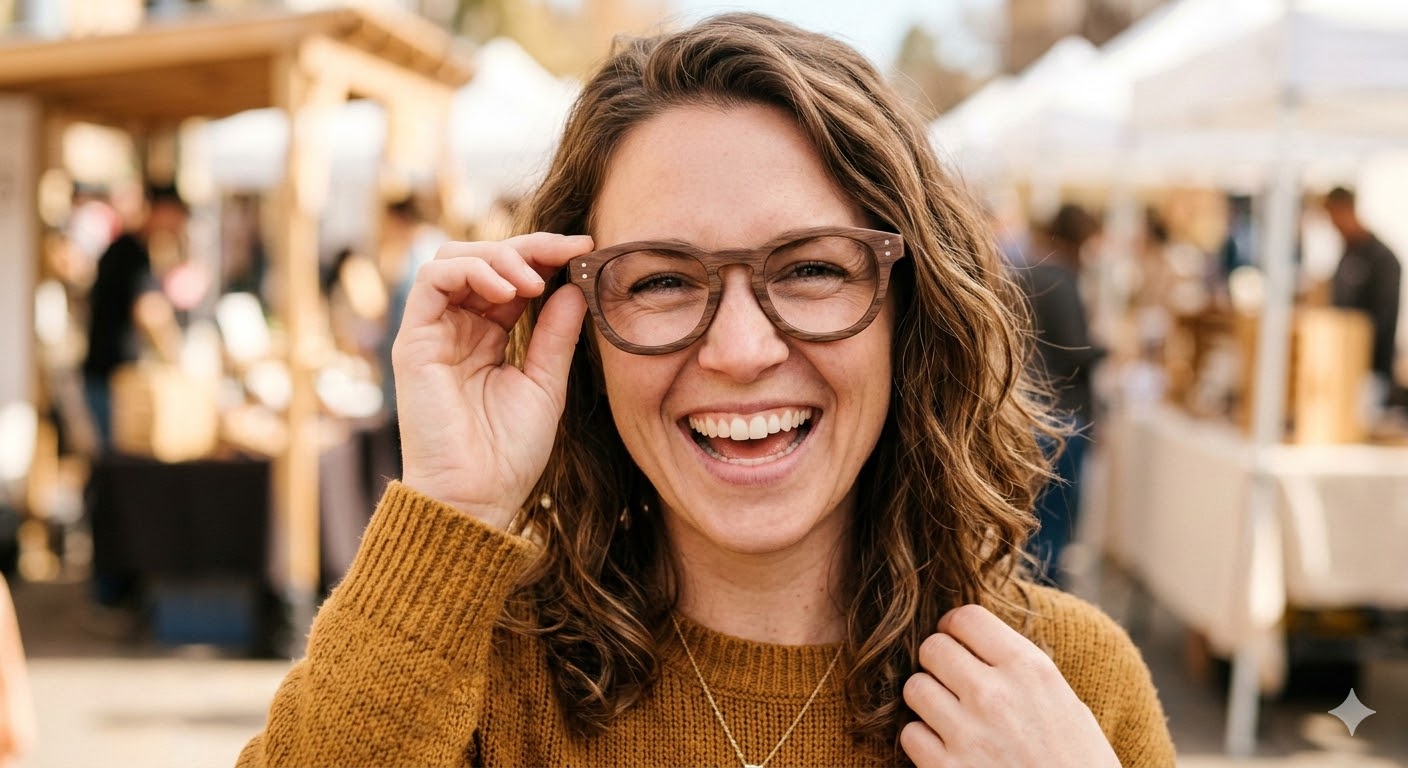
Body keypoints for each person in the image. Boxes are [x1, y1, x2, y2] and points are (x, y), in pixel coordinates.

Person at [239, 14, 1174, 767]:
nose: (737, 349)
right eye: (661, 279)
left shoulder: (1064, 690)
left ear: (910, 308)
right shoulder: (468, 671)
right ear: (580, 323)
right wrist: (451, 509)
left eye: (811, 269)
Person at [1019, 203, 1104, 588]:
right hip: (1063, 415)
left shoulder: (1025, 272)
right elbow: (1076, 351)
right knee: (1055, 526)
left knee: (1031, 521)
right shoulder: (1062, 278)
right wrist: (1108, 349)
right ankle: (1047, 603)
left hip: (1028, 410)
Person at [81, 182, 187, 452]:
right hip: (112, 373)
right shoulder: (132, 254)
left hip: (105, 369)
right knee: (118, 458)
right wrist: (175, 359)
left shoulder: (126, 250)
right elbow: (150, 312)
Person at [1322, 186, 1401, 399]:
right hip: (1343, 365)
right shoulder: (1347, 252)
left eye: (1333, 215)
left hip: (1370, 370)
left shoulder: (1383, 259)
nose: (1333, 224)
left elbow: (1382, 320)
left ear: (1346, 209)